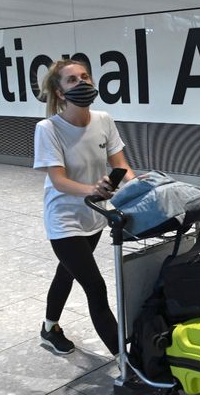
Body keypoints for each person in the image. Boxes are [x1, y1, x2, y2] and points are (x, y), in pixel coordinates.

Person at [33, 59, 135, 356]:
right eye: (72, 80)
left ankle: (49, 328)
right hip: (63, 219)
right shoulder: (48, 128)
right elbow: (59, 180)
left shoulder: (104, 119)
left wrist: (140, 184)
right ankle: (127, 362)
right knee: (95, 287)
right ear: (61, 92)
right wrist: (93, 190)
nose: (82, 83)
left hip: (94, 216)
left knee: (66, 273)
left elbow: (121, 166)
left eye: (85, 77)